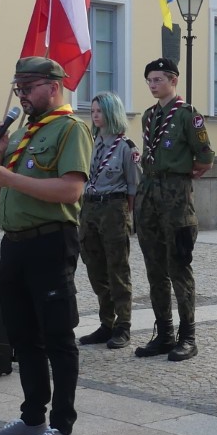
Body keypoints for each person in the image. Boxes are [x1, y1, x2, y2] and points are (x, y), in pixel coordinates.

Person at [0, 57, 93, 435]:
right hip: (15, 244)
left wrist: (9, 176)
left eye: (28, 88)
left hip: (50, 242)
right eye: (18, 89)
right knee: (22, 335)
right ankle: (32, 417)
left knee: (57, 335)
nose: (21, 96)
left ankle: (62, 425)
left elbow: (70, 191)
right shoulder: (25, 132)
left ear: (53, 86)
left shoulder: (70, 129)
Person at [134, 58, 215, 362]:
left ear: (173, 80)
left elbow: (205, 156)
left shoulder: (187, 115)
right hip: (149, 194)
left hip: (176, 198)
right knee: (154, 269)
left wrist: (183, 175)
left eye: (158, 79)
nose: (153, 85)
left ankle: (187, 336)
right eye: (149, 80)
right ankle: (164, 334)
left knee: (178, 267)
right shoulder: (149, 116)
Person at [78, 91, 140, 350]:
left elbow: (133, 187)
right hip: (89, 207)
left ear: (112, 113)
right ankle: (106, 322)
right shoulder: (89, 143)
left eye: (100, 111)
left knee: (117, 268)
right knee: (94, 267)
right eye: (92, 111)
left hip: (114, 207)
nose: (95, 115)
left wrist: (127, 217)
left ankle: (123, 324)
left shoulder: (126, 147)